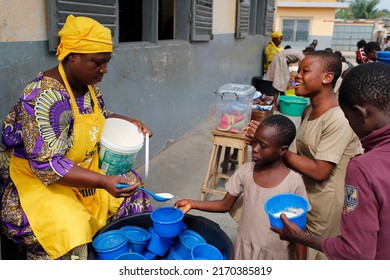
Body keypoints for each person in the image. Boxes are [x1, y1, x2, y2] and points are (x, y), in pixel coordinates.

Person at [0, 15, 153, 260]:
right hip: (37, 180)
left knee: (133, 189)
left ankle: (116, 252)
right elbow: (46, 165)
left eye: (107, 62)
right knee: (72, 230)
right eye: (98, 63)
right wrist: (103, 182)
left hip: (77, 169)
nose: (104, 70)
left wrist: (128, 121)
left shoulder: (87, 85)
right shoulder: (44, 96)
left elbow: (99, 114)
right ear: (72, 56)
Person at [245, 51, 362, 260]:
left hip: (325, 203)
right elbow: (297, 156)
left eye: (304, 71)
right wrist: (264, 144)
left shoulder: (338, 119)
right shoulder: (308, 111)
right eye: (297, 70)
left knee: (315, 255)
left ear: (327, 78)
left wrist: (279, 150)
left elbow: (319, 171)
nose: (296, 76)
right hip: (302, 195)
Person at [271, 62, 390, 260]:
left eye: (348, 117)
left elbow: (356, 252)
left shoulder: (364, 168)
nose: (298, 76)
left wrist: (302, 238)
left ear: (361, 114)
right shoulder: (308, 111)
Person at [175, 115, 309, 260]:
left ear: (282, 150)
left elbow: (300, 230)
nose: (255, 149)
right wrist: (192, 203)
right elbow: (225, 204)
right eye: (254, 142)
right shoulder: (245, 171)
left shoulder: (294, 183)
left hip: (275, 254)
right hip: (245, 248)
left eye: (262, 146)